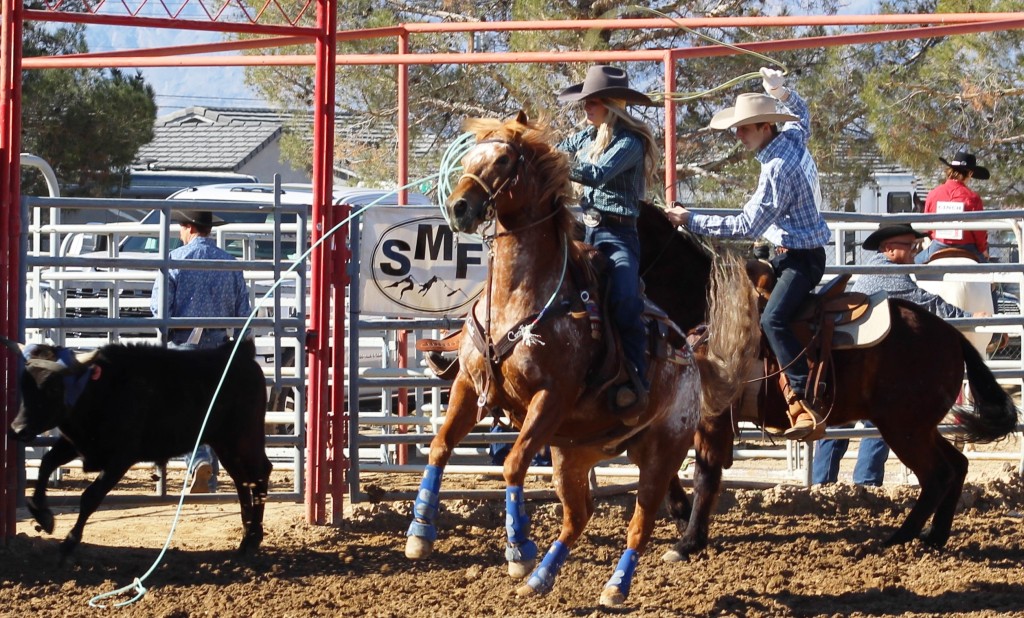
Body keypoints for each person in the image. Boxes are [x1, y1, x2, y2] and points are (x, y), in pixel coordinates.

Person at [665, 67, 831, 441]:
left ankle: (804, 397)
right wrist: (780, 91)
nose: (738, 135)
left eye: (744, 128)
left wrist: (690, 219)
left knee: (773, 319)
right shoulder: (791, 139)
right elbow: (801, 113)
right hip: (796, 253)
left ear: (764, 127)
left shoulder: (777, 168)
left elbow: (747, 225)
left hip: (800, 259)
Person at [813, 222, 991, 485]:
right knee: (880, 417)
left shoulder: (871, 269)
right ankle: (867, 482)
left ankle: (822, 482)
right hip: (868, 365)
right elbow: (926, 302)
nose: (914, 252)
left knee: (841, 424)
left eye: (915, 246)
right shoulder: (889, 273)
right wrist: (968, 317)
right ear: (888, 248)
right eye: (909, 246)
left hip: (845, 364)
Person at [556, 64, 660, 422]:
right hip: (584, 230)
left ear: (612, 105)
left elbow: (597, 174)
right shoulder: (585, 137)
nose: (586, 107)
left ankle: (637, 378)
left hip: (618, 234)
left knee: (625, 299)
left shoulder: (630, 142)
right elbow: (558, 149)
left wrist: (552, 162)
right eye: (586, 101)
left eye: (593, 101)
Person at [150, 209, 252, 493]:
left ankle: (198, 462)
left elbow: (160, 310)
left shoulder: (174, 260)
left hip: (185, 346)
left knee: (182, 410)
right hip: (219, 348)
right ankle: (209, 479)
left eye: (181, 227)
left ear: (189, 228)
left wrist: (167, 335)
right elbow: (243, 313)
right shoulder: (229, 262)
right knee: (212, 411)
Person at [915, 149, 990, 264]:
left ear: (950, 170)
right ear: (970, 173)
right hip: (968, 248)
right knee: (990, 270)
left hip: (938, 246)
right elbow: (979, 232)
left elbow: (928, 226)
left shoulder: (933, 194)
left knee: (912, 264)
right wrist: (983, 249)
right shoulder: (973, 198)